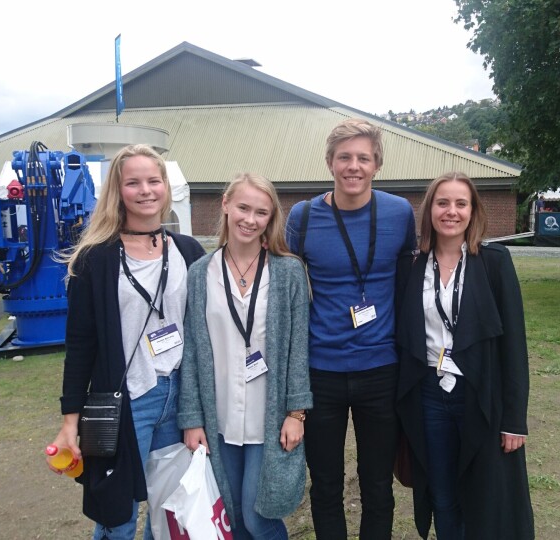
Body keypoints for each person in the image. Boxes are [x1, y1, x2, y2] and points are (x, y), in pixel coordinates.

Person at [48, 144, 205, 540]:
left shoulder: (187, 251)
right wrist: (70, 422)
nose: (146, 190)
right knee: (117, 515)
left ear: (166, 187)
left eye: (154, 180)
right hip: (128, 400)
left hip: (180, 396)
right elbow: (80, 345)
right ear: (118, 191)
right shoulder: (94, 259)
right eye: (133, 182)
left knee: (170, 508)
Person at [285, 118, 416, 539]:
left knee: (377, 484)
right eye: (345, 157)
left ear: (377, 164)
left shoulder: (399, 213)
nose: (353, 166)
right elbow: (282, 289)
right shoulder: (302, 218)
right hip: (321, 370)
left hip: (382, 369)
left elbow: (412, 282)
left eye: (363, 157)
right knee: (325, 484)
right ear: (330, 162)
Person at [395, 173, 534, 539]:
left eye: (461, 204)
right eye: (443, 203)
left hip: (480, 395)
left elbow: (514, 345)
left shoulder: (493, 262)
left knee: (484, 493)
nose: (451, 212)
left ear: (473, 211)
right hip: (429, 395)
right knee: (441, 493)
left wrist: (514, 419)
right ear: (430, 210)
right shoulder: (411, 265)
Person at [179, 173, 312, 539]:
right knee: (231, 516)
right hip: (218, 416)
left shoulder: (288, 273)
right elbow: (191, 351)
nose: (249, 220)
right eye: (243, 207)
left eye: (261, 212)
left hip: (267, 418)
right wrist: (192, 419)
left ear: (271, 219)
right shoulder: (199, 274)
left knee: (259, 517)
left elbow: (298, 348)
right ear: (225, 204)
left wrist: (296, 413)